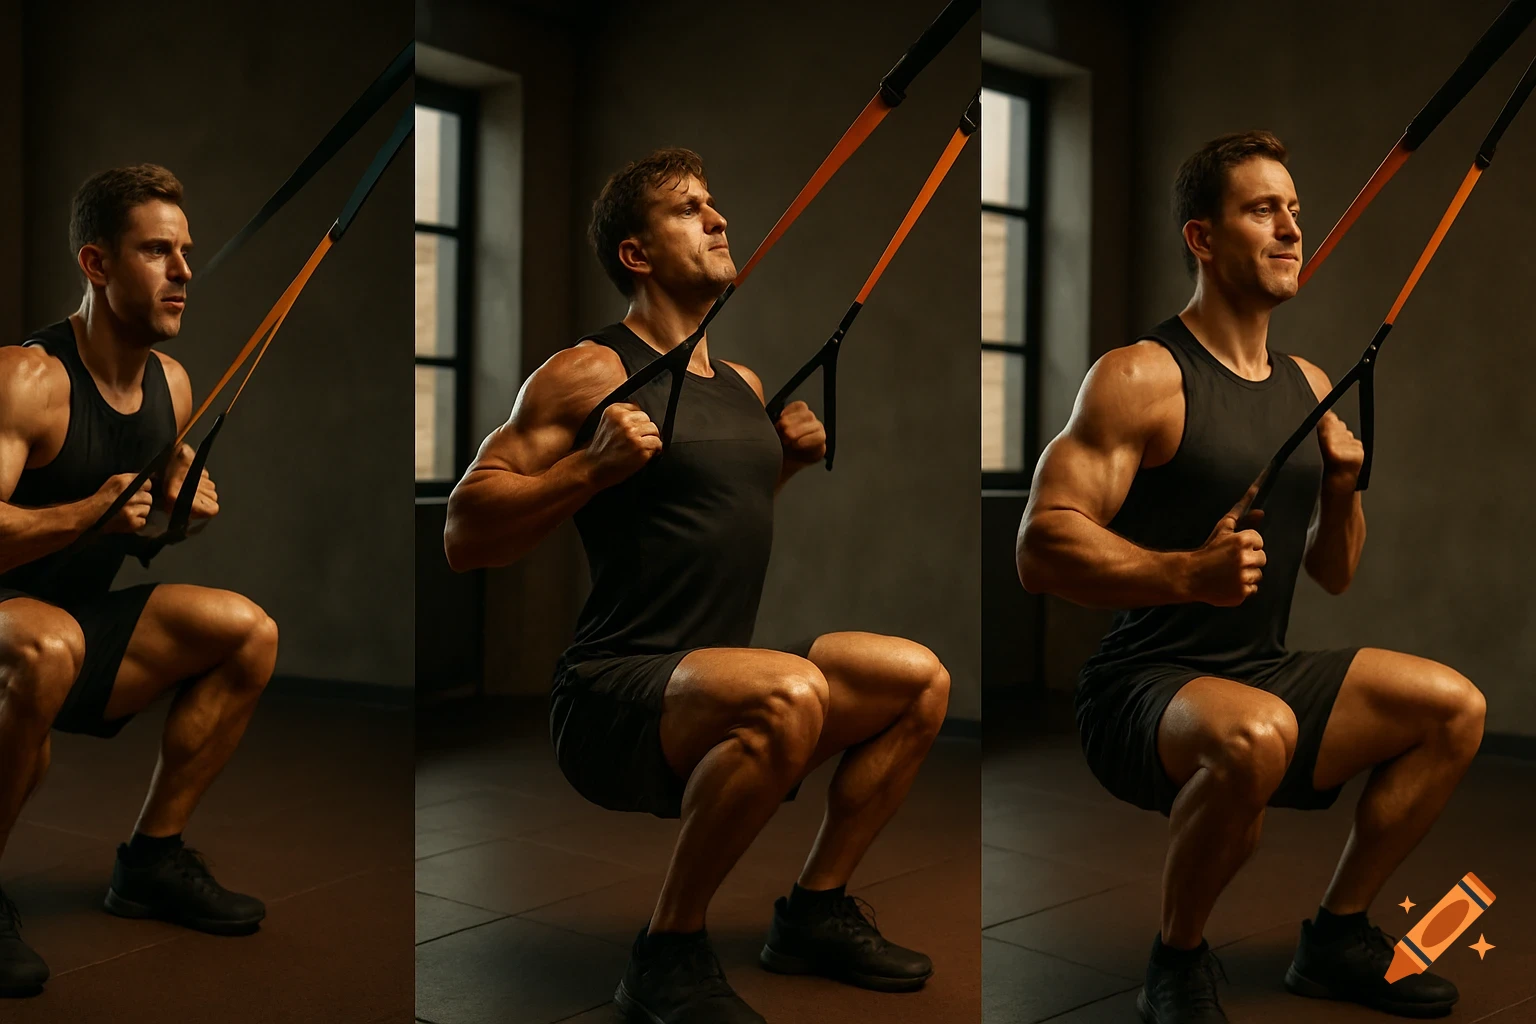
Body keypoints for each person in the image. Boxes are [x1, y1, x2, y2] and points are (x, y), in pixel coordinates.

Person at [445, 148, 951, 1023]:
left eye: (713, 204)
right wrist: (587, 471)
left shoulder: (742, 385)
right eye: (688, 209)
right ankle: (666, 953)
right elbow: (464, 533)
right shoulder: (590, 371)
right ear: (635, 254)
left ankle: (813, 913)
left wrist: (782, 465)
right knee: (790, 691)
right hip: (610, 692)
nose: (717, 219)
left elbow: (704, 517)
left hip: (713, 676)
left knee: (918, 680)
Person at [1016, 131, 1485, 1022]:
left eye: (1295, 210)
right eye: (1262, 210)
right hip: (1141, 687)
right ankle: (1176, 961)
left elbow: (1334, 574)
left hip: (1260, 672)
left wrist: (1341, 491)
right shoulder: (1140, 377)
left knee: (1453, 709)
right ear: (1201, 237)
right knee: (1258, 735)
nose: (1291, 229)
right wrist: (1185, 573)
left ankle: (1336, 937)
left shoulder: (1307, 382)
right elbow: (1040, 549)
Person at [0, 165, 279, 996]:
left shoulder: (173, 385)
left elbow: (140, 518)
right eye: (157, 251)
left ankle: (151, 861)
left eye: (185, 251)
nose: (183, 271)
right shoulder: (26, 379)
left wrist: (176, 514)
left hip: (76, 625)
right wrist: (88, 513)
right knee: (49, 644)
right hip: (21, 630)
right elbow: (85, 515)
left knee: (247, 631)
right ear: (96, 263)